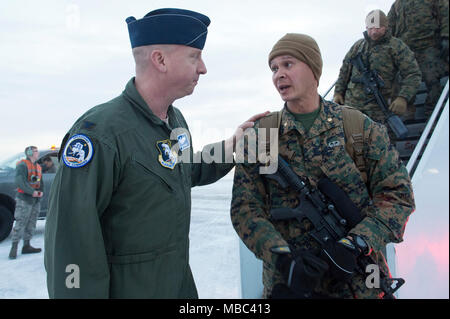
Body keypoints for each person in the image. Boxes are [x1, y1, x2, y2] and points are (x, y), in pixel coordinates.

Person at [44, 8, 267, 298]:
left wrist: (231, 146)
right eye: (194, 56)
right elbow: (70, 241)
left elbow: (182, 170)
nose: (203, 68)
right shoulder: (99, 133)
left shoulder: (176, 122)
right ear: (160, 60)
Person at [230, 33, 415, 298]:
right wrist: (281, 256)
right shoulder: (262, 136)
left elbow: (398, 196)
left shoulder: (359, 128)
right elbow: (245, 208)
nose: (278, 74)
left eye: (288, 64)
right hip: (293, 286)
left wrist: (357, 242)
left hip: (361, 285)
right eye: (274, 68)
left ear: (313, 69)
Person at [334, 9, 421, 141]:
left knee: (383, 150)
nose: (374, 32)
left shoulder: (397, 47)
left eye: (378, 27)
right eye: (370, 28)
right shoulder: (358, 46)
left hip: (381, 109)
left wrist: (403, 97)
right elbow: (345, 70)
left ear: (386, 27)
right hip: (353, 109)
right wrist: (338, 92)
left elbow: (413, 74)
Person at [388, 0, 449, 119]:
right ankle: (406, 114)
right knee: (399, 83)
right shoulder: (397, 4)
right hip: (406, 51)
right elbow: (388, 27)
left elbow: (446, 12)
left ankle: (434, 115)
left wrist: (446, 36)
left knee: (433, 81)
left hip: (429, 46)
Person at [8, 146, 43, 259]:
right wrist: (32, 192)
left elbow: (40, 182)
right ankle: (14, 248)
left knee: (31, 223)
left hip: (35, 200)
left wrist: (40, 192)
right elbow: (20, 181)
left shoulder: (37, 166)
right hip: (24, 199)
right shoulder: (22, 165)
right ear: (29, 153)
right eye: (35, 151)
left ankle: (26, 246)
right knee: (20, 222)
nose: (37, 153)